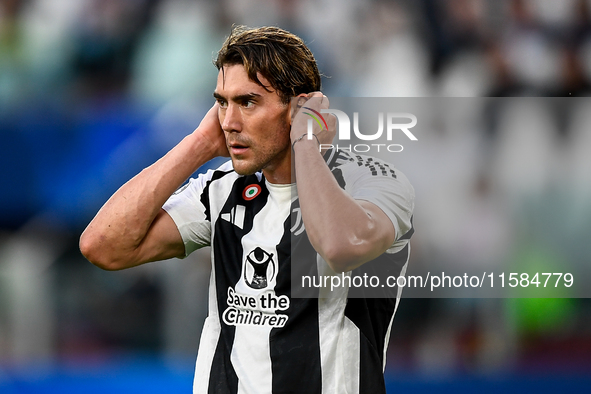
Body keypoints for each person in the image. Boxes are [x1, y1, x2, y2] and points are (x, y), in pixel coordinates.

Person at [80, 26, 414, 394]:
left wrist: (305, 141)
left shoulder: (375, 182)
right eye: (222, 102)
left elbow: (338, 245)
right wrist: (199, 145)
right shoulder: (222, 187)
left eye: (248, 102)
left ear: (299, 107)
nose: (229, 122)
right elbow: (103, 246)